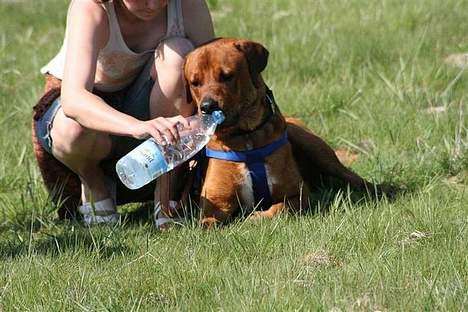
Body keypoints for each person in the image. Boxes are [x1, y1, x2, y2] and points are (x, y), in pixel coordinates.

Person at [32, 0, 215, 225]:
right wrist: (135, 126)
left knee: (180, 53)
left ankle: (167, 189)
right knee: (71, 130)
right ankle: (93, 182)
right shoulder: (91, 7)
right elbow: (74, 99)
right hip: (92, 115)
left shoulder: (187, 5)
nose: (153, 4)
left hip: (153, 108)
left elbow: (210, 75)